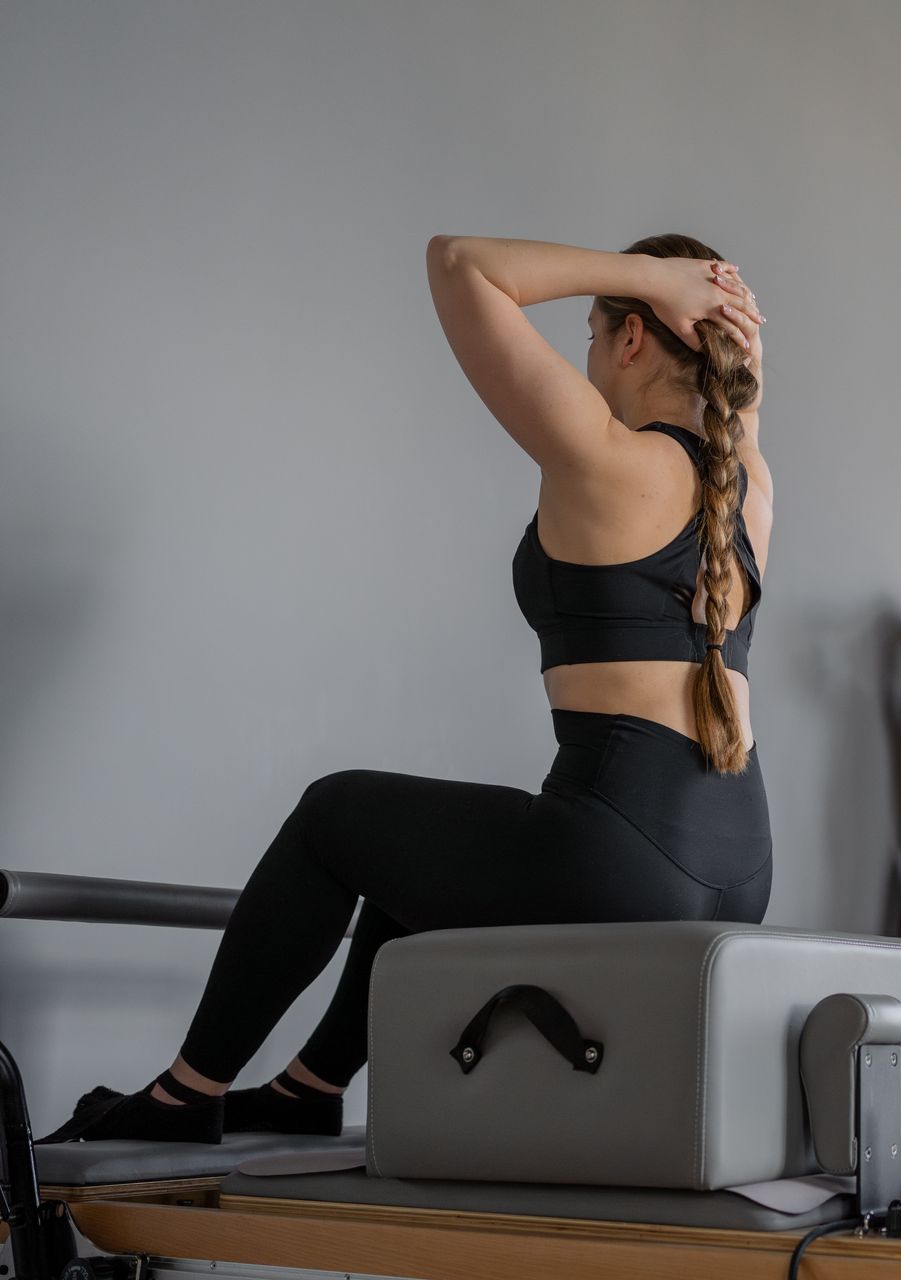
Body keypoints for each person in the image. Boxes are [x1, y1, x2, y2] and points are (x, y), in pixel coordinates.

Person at [45, 233, 770, 1144]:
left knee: (333, 816)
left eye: (594, 335)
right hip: (741, 862)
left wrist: (646, 277)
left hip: (624, 854)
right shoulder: (748, 484)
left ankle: (182, 1099)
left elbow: (460, 263)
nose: (589, 358)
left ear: (630, 338)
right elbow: (739, 395)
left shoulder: (607, 458)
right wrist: (714, 313)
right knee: (418, 851)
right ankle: (309, 1087)